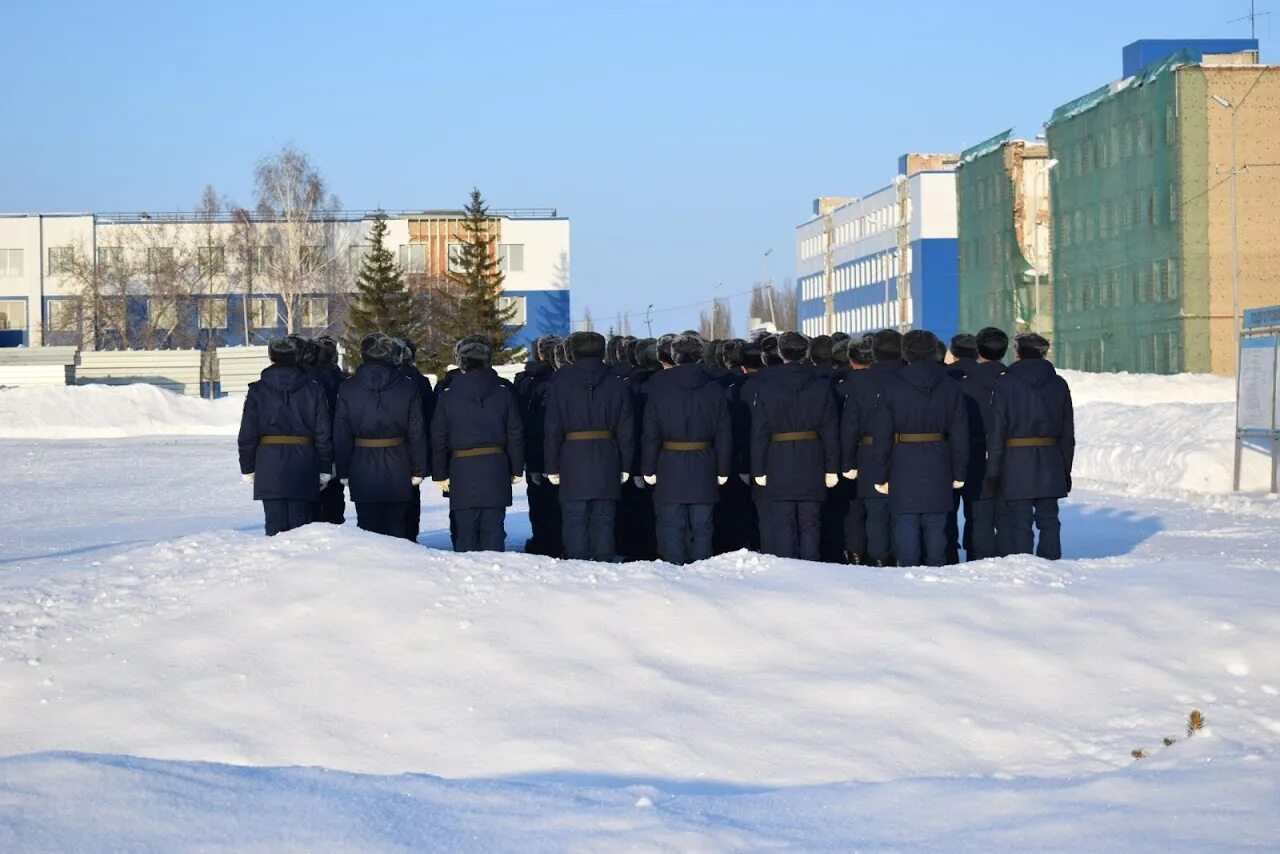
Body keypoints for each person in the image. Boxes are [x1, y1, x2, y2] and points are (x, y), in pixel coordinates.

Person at [870, 330, 969, 568]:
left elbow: (882, 435)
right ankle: (936, 567)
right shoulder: (950, 386)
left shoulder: (891, 386)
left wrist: (880, 473)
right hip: (939, 457)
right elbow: (960, 433)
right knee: (936, 521)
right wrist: (959, 471)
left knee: (906, 520)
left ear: (906, 352)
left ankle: (908, 569)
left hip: (903, 458)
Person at [543, 331, 637, 561]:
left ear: (572, 353)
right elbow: (627, 430)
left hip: (571, 457)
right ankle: (603, 564)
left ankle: (576, 566)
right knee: (604, 517)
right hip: (607, 455)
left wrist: (552, 466)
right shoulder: (617, 385)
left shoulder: (559, 385)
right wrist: (626, 464)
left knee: (575, 517)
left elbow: (552, 431)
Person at [640, 333, 733, 564]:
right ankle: (701, 569)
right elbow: (724, 434)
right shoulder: (714, 389)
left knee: (671, 523)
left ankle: (674, 571)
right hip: (704, 462)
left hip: (670, 462)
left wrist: (648, 468)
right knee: (702, 525)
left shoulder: (659, 388)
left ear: (674, 356)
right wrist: (723, 469)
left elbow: (651, 434)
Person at [750, 331, 839, 560]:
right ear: (805, 352)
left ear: (780, 353)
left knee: (782, 522)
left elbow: (759, 432)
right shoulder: (820, 387)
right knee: (810, 523)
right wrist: (831, 467)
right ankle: (810, 567)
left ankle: (787, 570)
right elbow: (830, 431)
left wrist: (758, 468)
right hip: (812, 457)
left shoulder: (767, 388)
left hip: (778, 459)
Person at [430, 339, 525, 552]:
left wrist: (440, 472)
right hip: (496, 467)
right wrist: (516, 468)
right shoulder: (503, 392)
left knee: (465, 531)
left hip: (461, 468)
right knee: (493, 529)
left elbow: (439, 437)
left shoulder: (447, 394)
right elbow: (515, 434)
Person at [987, 332, 1075, 560]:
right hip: (1050, 458)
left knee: (1019, 519)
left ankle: (1022, 563)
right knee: (1049, 518)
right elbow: (1067, 433)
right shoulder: (1058, 384)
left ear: (1018, 352)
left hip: (1016, 460)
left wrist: (994, 470)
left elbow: (997, 430)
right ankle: (1052, 561)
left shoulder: (1005, 382)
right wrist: (1066, 468)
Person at [334, 333, 429, 540]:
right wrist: (418, 468)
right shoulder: (407, 385)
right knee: (399, 528)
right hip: (399, 462)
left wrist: (343, 469)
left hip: (362, 463)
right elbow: (417, 431)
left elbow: (342, 433)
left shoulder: (348, 387)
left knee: (367, 526)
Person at [237, 336, 333, 536]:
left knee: (274, 526)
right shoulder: (314, 389)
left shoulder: (257, 390)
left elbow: (247, 433)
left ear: (271, 358)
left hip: (269, 463)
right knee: (301, 529)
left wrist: (247, 467)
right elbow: (323, 434)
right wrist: (325, 467)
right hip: (304, 463)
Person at [840, 329, 902, 566]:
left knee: (875, 513)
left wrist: (848, 463)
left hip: (867, 453)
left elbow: (850, 426)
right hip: (903, 452)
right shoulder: (906, 377)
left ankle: (878, 561)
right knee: (900, 513)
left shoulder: (860, 382)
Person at [951, 328, 1007, 560]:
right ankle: (1006, 553)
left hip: (972, 449)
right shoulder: (1011, 380)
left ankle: (978, 554)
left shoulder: (962, 383)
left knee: (978, 510)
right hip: (1008, 450)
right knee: (1004, 509)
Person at [520, 335, 562, 556]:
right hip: (563, 450)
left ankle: (542, 540)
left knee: (538, 500)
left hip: (535, 447)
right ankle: (556, 540)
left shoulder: (528, 380)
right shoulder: (563, 379)